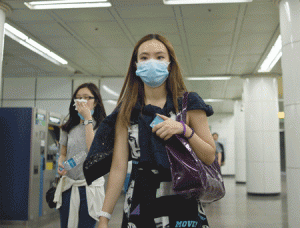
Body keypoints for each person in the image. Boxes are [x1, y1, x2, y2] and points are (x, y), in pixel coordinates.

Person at [92, 34, 216, 228]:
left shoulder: (188, 103)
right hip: (141, 199)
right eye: (144, 57)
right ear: (136, 65)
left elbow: (209, 156)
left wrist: (184, 129)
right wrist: (104, 216)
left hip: (182, 195)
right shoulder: (127, 110)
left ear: (170, 63)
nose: (152, 62)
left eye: (159, 57)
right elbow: (118, 167)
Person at [54, 83, 107, 228]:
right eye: (78, 98)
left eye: (86, 98)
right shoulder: (68, 127)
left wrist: (87, 119)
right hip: (69, 186)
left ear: (95, 101)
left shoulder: (102, 126)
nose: (81, 101)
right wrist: (61, 163)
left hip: (90, 188)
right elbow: (63, 154)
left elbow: (92, 151)